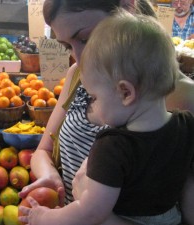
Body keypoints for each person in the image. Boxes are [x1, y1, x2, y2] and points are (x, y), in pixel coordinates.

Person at [19, 9, 194, 225]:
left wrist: (44, 217)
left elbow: (90, 213)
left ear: (125, 93)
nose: (95, 106)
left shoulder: (112, 145)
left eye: (95, 97)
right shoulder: (186, 124)